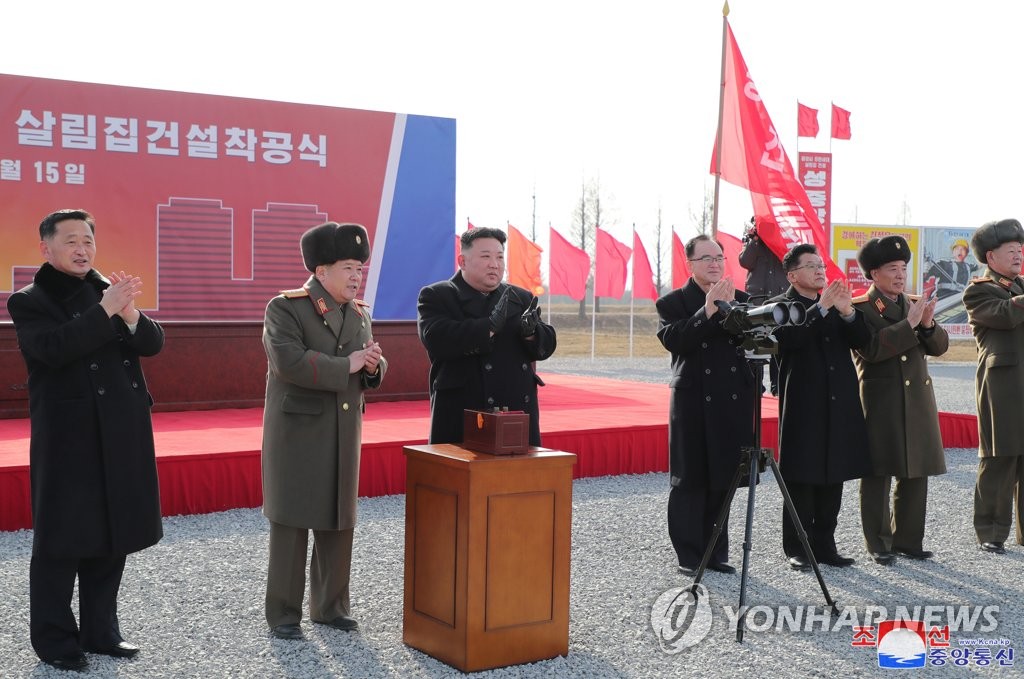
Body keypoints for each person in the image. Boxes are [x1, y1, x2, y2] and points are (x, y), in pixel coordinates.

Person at [6, 209, 164, 671]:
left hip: (120, 430)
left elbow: (152, 344)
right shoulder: (29, 300)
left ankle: (101, 632)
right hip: (69, 437)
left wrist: (131, 314)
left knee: (112, 534)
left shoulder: (106, 293)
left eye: (88, 241)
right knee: (62, 540)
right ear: (46, 247)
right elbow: (53, 350)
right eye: (71, 240)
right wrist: (106, 311)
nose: (82, 249)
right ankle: (55, 641)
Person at [261, 222, 386, 640]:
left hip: (343, 427)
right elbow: (289, 362)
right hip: (297, 432)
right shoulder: (286, 307)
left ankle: (331, 607)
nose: (356, 277)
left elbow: (366, 361)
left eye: (359, 270)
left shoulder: (359, 312)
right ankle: (283, 614)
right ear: (320, 270)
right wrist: (348, 365)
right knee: (292, 523)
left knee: (338, 518)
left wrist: (372, 366)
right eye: (348, 268)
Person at [656, 235, 756, 576]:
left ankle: (716, 552)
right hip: (693, 401)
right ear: (691, 264)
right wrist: (707, 310)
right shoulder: (672, 303)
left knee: (723, 477)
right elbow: (676, 340)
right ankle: (689, 554)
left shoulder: (741, 300)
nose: (714, 264)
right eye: (706, 258)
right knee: (690, 479)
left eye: (719, 257)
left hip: (732, 399)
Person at [770, 244, 872, 570]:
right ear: (792, 275)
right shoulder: (780, 306)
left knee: (833, 475)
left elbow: (862, 340)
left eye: (820, 266)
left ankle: (826, 545)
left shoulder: (833, 302)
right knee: (801, 477)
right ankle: (797, 548)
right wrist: (821, 309)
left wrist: (847, 312)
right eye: (811, 266)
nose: (819, 271)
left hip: (839, 402)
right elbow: (790, 341)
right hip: (803, 405)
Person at [851, 236, 948, 566]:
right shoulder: (862, 308)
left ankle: (908, 540)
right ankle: (878, 542)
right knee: (878, 472)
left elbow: (939, 347)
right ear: (874, 274)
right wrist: (908, 325)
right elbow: (872, 349)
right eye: (892, 269)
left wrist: (929, 325)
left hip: (917, 399)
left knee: (915, 469)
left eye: (903, 268)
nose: (899, 275)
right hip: (882, 401)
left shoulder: (913, 303)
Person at [417, 226, 555, 446]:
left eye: (500, 257)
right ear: (462, 261)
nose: (495, 264)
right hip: (465, 413)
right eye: (486, 256)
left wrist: (532, 333)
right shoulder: (438, 295)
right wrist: (488, 327)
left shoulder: (519, 297)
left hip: (516, 413)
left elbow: (546, 346)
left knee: (520, 478)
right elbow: (436, 338)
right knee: (462, 478)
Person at [962, 218, 1024, 555]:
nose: (1018, 253)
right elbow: (1003, 314)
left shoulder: (1020, 287)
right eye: (1009, 250)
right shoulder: (979, 290)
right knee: (999, 457)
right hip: (1001, 384)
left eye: (1020, 249)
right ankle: (991, 530)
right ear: (991, 257)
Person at [738, 217, 787, 395]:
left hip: (779, 298)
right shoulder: (751, 240)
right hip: (757, 299)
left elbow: (788, 260)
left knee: (778, 344)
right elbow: (745, 261)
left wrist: (776, 239)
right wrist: (755, 239)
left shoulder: (785, 239)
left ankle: (777, 385)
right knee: (755, 342)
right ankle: (756, 384)